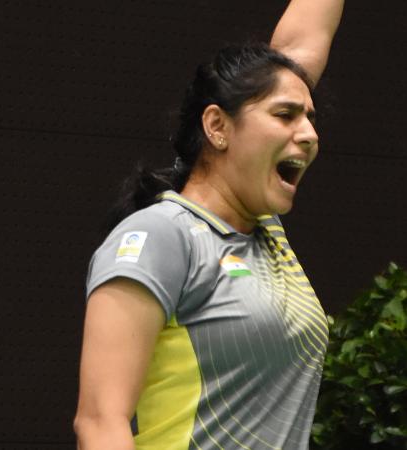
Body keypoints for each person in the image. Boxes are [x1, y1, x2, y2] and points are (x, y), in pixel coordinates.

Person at [74, 1, 344, 449]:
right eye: (285, 116)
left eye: (310, 118)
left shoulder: (262, 230)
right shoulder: (160, 236)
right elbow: (101, 422)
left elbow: (298, 48)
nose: (310, 134)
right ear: (218, 126)